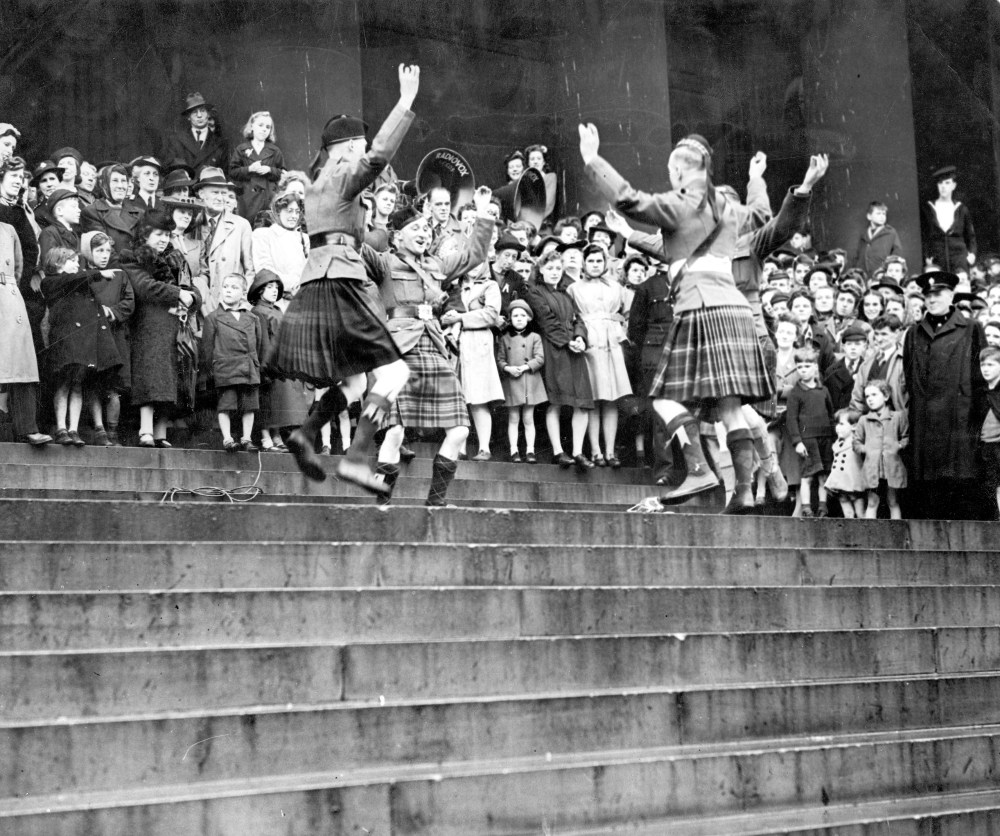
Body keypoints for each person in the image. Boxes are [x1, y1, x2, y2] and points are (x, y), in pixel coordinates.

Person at [581, 125, 774, 512]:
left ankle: (700, 470)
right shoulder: (730, 209)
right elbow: (764, 214)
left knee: (662, 400)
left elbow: (627, 199)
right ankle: (744, 491)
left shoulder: (681, 204)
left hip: (698, 307)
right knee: (730, 406)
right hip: (735, 309)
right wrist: (755, 180)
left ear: (678, 172)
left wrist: (592, 159)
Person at [266, 63, 420, 493]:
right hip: (343, 281)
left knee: (354, 381)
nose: (363, 150)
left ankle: (307, 433)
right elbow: (378, 158)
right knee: (393, 376)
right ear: (345, 147)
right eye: (359, 144)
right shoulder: (340, 174)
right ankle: (355, 461)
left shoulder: (315, 184)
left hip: (316, 283)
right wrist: (404, 103)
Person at [364, 189, 495, 505]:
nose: (424, 233)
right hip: (397, 350)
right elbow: (356, 245)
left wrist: (483, 213)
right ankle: (382, 502)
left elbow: (474, 255)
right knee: (394, 432)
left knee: (460, 430)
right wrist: (361, 212)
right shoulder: (383, 263)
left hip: (433, 346)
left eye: (426, 228)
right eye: (416, 228)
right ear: (397, 236)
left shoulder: (436, 265)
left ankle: (435, 500)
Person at [903, 270, 987, 519]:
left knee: (960, 485)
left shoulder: (971, 328)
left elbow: (980, 377)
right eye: (927, 295)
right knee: (930, 493)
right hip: (926, 424)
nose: (932, 299)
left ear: (951, 294)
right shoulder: (914, 333)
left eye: (938, 293)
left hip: (959, 422)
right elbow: (910, 378)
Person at [122, 206, 201, 447]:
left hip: (173, 324)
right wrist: (179, 294)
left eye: (166, 235)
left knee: (170, 379)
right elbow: (144, 286)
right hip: (147, 325)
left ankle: (160, 433)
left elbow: (192, 287)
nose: (163, 239)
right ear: (145, 234)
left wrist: (192, 297)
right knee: (151, 377)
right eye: (158, 234)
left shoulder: (174, 258)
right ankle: (145, 430)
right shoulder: (131, 256)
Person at [39, 247, 122, 446]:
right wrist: (97, 273)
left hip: (83, 341)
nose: (77, 266)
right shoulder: (51, 281)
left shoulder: (79, 282)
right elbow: (70, 279)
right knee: (64, 383)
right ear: (58, 263)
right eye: (72, 261)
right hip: (66, 340)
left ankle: (73, 430)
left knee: (77, 385)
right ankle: (61, 427)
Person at [523, 249, 595, 470]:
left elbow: (578, 319)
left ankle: (578, 451)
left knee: (582, 402)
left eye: (557, 268)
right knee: (556, 400)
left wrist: (580, 338)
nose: (554, 272)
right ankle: (557, 451)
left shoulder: (566, 294)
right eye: (550, 268)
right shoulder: (535, 293)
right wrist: (567, 341)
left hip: (574, 349)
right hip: (554, 349)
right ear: (541, 270)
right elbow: (547, 321)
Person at [567, 242, 631, 466]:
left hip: (612, 341)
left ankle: (611, 451)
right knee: (594, 397)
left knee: (612, 398)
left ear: (605, 263)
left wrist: (621, 331)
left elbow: (627, 311)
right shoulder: (574, 288)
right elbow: (572, 318)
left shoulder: (615, 287)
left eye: (599, 261)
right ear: (584, 263)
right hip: (590, 340)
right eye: (591, 261)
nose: (595, 265)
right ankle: (595, 451)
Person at [0, 217, 51, 446]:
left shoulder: (8, 230)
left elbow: (19, 268)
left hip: (7, 296)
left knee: (22, 364)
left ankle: (27, 427)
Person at [200, 273, 266, 452]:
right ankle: (228, 439)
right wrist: (212, 369)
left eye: (234, 287)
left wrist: (254, 364)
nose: (228, 290)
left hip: (248, 367)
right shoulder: (213, 318)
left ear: (243, 293)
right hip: (225, 368)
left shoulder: (252, 319)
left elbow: (259, 345)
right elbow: (206, 349)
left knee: (249, 405)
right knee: (226, 404)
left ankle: (246, 438)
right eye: (226, 287)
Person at [80, 231, 134, 446]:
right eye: (98, 250)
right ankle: (99, 429)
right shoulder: (83, 276)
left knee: (114, 387)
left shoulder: (120, 275)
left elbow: (129, 301)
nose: (103, 255)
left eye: (107, 251)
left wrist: (112, 312)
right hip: (92, 336)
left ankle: (113, 431)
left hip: (115, 336)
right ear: (88, 252)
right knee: (93, 383)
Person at [192, 166, 255, 315]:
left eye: (223, 193)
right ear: (201, 194)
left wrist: (241, 303)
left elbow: (250, 270)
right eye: (215, 192)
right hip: (199, 309)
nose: (221, 198)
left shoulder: (240, 225)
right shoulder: (192, 226)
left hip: (230, 308)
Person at [786, 346, 835, 517]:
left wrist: (834, 438)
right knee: (807, 476)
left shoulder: (823, 390)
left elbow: (830, 415)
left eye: (807, 366)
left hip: (825, 439)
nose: (803, 370)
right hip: (808, 440)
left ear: (815, 367)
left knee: (823, 477)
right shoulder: (796, 392)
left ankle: (822, 507)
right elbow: (791, 419)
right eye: (799, 367)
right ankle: (806, 509)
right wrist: (797, 442)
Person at [497, 299, 546, 463]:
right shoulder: (504, 338)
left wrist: (525, 367)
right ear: (510, 318)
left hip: (530, 381)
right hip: (512, 381)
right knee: (513, 418)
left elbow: (540, 359)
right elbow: (500, 360)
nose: (519, 318)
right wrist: (508, 368)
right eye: (515, 315)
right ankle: (514, 450)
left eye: (523, 315)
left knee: (528, 418)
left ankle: (530, 451)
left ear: (529, 318)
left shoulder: (535, 337)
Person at [854, 378, 908, 519]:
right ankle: (868, 537)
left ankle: (897, 536)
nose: (870, 399)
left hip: (892, 466)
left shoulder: (897, 417)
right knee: (872, 502)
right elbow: (856, 442)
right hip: (872, 468)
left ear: (885, 396)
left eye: (874, 395)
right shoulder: (863, 420)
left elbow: (906, 437)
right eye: (867, 396)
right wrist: (865, 449)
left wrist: (899, 446)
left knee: (893, 501)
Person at [230, 111, 285, 223]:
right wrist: (249, 169)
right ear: (252, 127)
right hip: (247, 198)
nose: (264, 129)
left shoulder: (275, 151)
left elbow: (284, 174)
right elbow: (232, 171)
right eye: (260, 125)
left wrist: (270, 170)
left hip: (268, 199)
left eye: (268, 127)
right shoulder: (241, 149)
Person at [80, 164, 144, 256]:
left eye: (123, 181)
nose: (120, 186)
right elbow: (104, 252)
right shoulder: (92, 212)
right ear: (105, 185)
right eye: (115, 181)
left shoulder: (139, 213)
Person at [161, 92, 231, 176]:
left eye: (202, 111)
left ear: (208, 114)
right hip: (185, 187)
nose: (199, 115)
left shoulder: (220, 143)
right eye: (194, 112)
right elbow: (169, 170)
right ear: (188, 117)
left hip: (209, 188)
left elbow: (225, 174)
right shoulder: (176, 140)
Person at [922, 166, 976, 273]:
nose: (943, 187)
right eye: (940, 183)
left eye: (947, 183)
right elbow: (924, 235)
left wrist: (972, 254)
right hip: (937, 258)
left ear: (954, 186)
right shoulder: (928, 208)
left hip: (959, 257)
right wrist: (926, 256)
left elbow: (970, 235)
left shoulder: (961, 209)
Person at [825, 408, 866, 518]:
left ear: (854, 426)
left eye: (842, 424)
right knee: (847, 511)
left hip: (853, 483)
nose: (837, 428)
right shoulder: (838, 443)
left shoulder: (856, 442)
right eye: (837, 424)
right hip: (840, 482)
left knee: (860, 512)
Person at [851, 200, 903, 276]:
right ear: (869, 216)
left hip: (881, 273)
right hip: (864, 273)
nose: (882, 216)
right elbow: (857, 254)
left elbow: (897, 253)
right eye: (878, 213)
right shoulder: (864, 233)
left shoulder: (890, 232)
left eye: (884, 214)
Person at [977, 346, 1000, 518]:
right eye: (983, 364)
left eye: (991, 364)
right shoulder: (979, 393)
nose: (985, 369)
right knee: (989, 487)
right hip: (985, 447)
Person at [37, 189, 81, 263]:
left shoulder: (74, 234)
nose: (79, 210)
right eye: (74, 206)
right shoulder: (49, 233)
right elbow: (50, 264)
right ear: (59, 210)